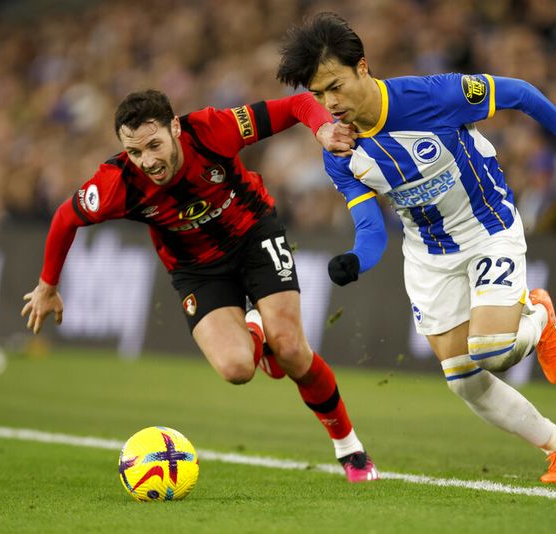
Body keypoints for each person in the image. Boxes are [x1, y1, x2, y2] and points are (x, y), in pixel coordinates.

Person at [277, 12, 556, 484]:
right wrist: (356, 259)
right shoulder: (340, 149)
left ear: (362, 67)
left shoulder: (430, 95)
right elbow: (373, 229)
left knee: (493, 350)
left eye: (334, 86)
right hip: (427, 256)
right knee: (464, 380)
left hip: (488, 230)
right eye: (317, 95)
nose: (329, 104)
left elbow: (520, 93)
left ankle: (538, 313)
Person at [21, 88, 379, 483]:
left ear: (175, 127)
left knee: (293, 352)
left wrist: (324, 129)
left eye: (155, 145)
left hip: (253, 236)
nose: (149, 161)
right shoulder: (117, 184)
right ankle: (257, 330)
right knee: (236, 368)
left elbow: (295, 105)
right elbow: (65, 218)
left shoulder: (211, 130)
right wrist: (47, 285)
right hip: (196, 269)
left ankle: (349, 448)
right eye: (136, 152)